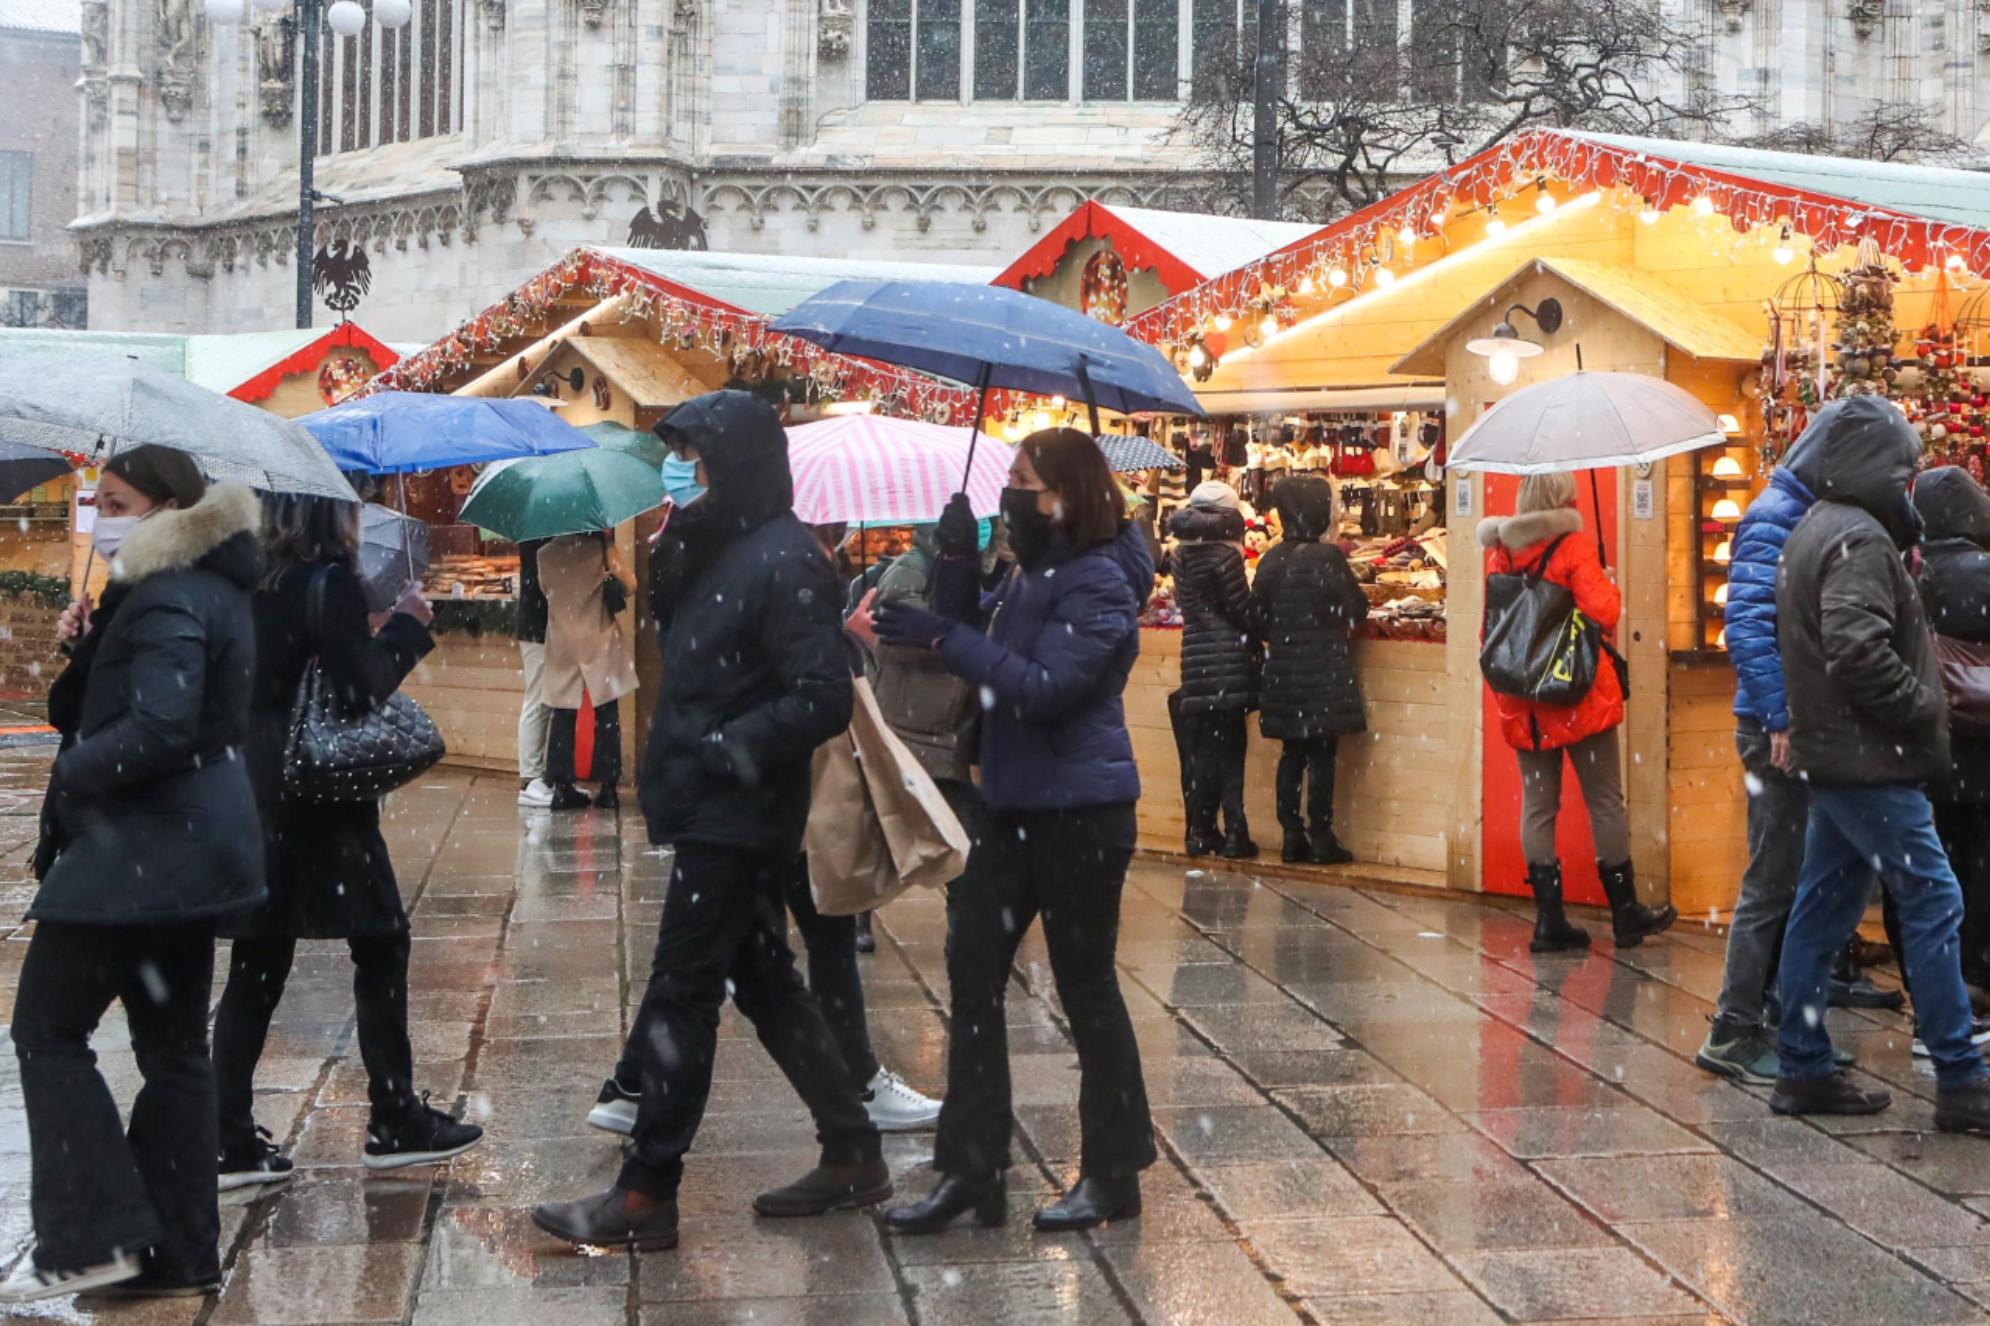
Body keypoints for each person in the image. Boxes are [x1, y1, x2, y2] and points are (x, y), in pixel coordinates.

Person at [532, 390, 887, 1252]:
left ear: (739, 464)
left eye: (701, 455)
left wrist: (731, 747)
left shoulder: (788, 560)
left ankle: (648, 1190)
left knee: (682, 992)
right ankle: (853, 1149)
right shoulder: (716, 546)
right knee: (764, 981)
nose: (687, 469)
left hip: (740, 809)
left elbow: (820, 694)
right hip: (711, 803)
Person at [876, 427, 1157, 1236]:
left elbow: (1044, 688)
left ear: (1065, 495)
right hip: (1011, 806)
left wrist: (943, 635)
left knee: (1086, 988)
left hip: (1080, 815)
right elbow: (980, 645)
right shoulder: (1034, 571)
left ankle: (1112, 1170)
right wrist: (958, 567)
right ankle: (970, 1168)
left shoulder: (1099, 581)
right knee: (971, 976)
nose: (1012, 495)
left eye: (1024, 482)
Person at [6, 448, 262, 1302]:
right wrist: (89, 648)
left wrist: (73, 771)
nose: (103, 515)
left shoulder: (165, 594)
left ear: (166, 507)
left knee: (47, 1029)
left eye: (116, 501)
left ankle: (94, 1237)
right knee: (174, 1050)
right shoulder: (199, 585)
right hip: (188, 851)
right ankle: (179, 1254)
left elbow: (159, 726)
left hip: (141, 853)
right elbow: (126, 705)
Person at [210, 492, 483, 1190]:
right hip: (317, 798)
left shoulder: (245, 581)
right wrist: (407, 629)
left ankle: (225, 1132)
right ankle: (393, 1117)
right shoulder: (327, 583)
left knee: (259, 960)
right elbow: (363, 687)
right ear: (329, 515)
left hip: (257, 786)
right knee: (382, 940)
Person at [1770, 395, 1990, 1128]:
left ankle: (1802, 1062)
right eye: (1904, 469)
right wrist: (1919, 708)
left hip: (1839, 754)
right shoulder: (1859, 540)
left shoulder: (1819, 528)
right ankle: (1960, 1075)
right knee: (1935, 899)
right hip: (1869, 758)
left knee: (1824, 905)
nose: (1910, 484)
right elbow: (1856, 649)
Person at [1478, 473, 1676, 952]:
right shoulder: (1573, 547)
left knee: (1539, 806)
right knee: (1604, 800)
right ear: (1558, 499)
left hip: (1524, 697)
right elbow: (1604, 613)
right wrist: (1607, 584)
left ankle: (1549, 921)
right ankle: (1625, 913)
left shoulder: (1499, 554)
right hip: (1575, 693)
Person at [1696, 414, 1828, 1082]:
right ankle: (1735, 1027)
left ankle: (1769, 1018)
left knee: (1783, 873)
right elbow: (1745, 624)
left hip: (1778, 717)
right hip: (1775, 723)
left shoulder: (1790, 510)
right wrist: (1779, 714)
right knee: (1775, 877)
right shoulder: (1779, 515)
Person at [1906, 465, 1990, 1052]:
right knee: (1981, 868)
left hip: (1928, 754)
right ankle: (1977, 989)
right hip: (1984, 754)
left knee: (1936, 876)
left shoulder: (1909, 574)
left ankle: (1938, 997)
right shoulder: (1984, 575)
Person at [1250, 473, 1367, 866]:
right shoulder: (1327, 558)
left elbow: (1257, 618)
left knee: (1292, 754)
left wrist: (1286, 635)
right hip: (1324, 670)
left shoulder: (1271, 560)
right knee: (1321, 756)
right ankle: (1321, 836)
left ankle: (1290, 834)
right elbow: (1356, 609)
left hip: (1283, 670)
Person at [1168, 480, 1259, 859]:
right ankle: (1235, 832)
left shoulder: (1179, 554)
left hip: (1196, 659)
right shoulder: (1225, 556)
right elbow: (1241, 611)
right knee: (1231, 747)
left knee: (1205, 749)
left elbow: (1192, 606)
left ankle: (1201, 830)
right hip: (1227, 659)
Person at [537, 531, 637, 811]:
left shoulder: (543, 555)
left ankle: (561, 787)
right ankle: (608, 788)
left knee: (563, 713)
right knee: (606, 713)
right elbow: (630, 585)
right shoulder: (600, 549)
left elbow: (547, 592)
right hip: (598, 636)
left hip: (562, 641)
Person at [514, 536, 556, 807]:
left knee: (547, 699)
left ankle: (542, 774)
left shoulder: (533, 530)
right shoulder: (540, 535)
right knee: (538, 697)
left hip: (545, 622)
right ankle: (530, 777)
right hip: (538, 625)